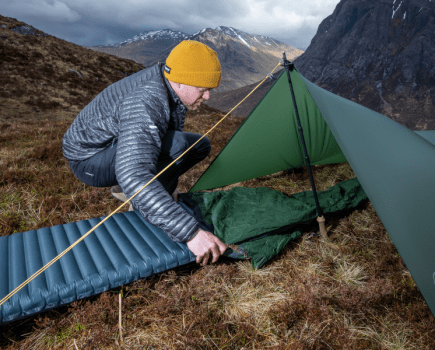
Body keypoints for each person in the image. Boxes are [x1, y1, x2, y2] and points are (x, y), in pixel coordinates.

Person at [62, 40, 228, 266]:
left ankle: (149, 198)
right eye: (203, 89)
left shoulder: (167, 82)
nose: (208, 96)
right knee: (178, 144)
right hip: (89, 160)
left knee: (199, 145)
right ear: (181, 81)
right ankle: (141, 206)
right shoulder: (146, 99)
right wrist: (190, 233)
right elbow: (134, 173)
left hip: (114, 148)